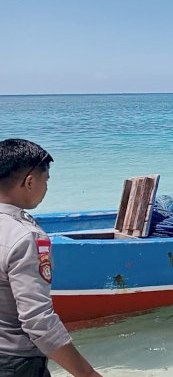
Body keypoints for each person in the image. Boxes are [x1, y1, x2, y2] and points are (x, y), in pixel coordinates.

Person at [0, 139, 101, 377]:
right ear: (30, 182)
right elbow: (38, 321)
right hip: (16, 364)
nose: (46, 189)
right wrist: (87, 374)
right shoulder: (26, 236)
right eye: (46, 181)